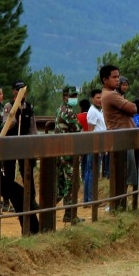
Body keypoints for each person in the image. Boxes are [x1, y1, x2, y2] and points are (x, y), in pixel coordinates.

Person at [101, 65, 138, 203]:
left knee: (124, 174)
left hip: (121, 138)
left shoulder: (109, 94)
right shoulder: (111, 95)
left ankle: (119, 204)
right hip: (121, 139)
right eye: (114, 77)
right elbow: (132, 108)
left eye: (118, 76)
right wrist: (129, 104)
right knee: (124, 174)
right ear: (105, 79)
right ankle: (119, 205)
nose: (117, 80)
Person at [55, 86, 82, 223]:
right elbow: (78, 129)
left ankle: (46, 208)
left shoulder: (60, 109)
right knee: (72, 183)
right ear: (65, 96)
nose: (73, 98)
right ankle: (70, 214)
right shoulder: (69, 112)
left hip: (60, 153)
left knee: (61, 184)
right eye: (71, 96)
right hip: (69, 154)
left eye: (75, 95)